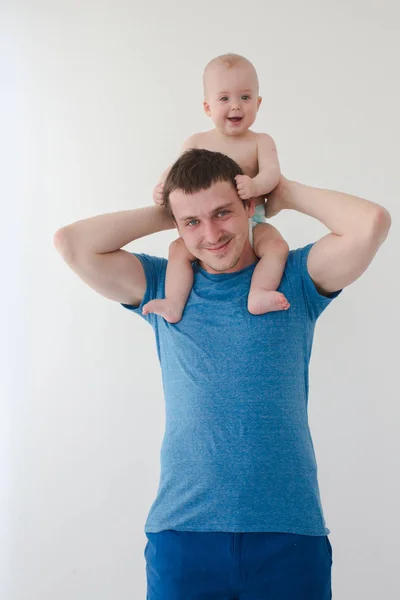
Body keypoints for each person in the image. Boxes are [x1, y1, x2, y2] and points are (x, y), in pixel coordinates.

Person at [54, 148, 391, 599]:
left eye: (222, 213)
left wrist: (284, 191)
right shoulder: (163, 286)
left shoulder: (292, 278)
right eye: (192, 222)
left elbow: (371, 223)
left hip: (289, 535)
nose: (211, 234)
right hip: (183, 534)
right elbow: (71, 243)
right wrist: (171, 213)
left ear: (248, 207)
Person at [144, 53, 290, 323]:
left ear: (258, 103)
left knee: (277, 246)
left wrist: (255, 184)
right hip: (207, 223)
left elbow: (273, 175)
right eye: (224, 98)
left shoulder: (260, 141)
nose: (236, 106)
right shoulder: (198, 140)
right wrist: (162, 187)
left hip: (253, 221)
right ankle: (174, 302)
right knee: (177, 251)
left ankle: (259, 292)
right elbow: (176, 173)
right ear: (207, 108)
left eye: (245, 98)